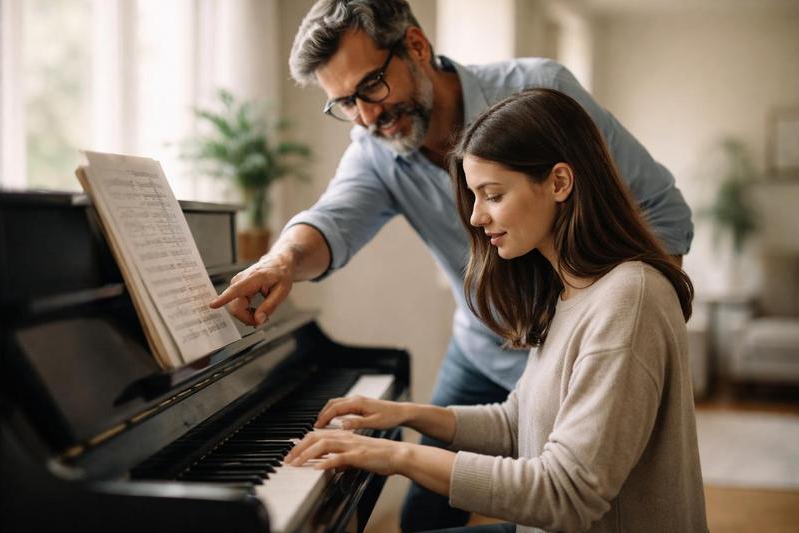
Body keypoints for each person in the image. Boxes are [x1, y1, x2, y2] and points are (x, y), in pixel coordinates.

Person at [209, 1, 694, 530]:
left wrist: (617, 319)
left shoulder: (541, 94)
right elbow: (331, 221)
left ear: (416, 47)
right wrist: (281, 262)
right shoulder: (374, 150)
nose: (366, 116)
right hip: (498, 340)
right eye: (345, 103)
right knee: (423, 515)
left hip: (582, 328)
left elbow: (663, 214)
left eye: (371, 86)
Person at [283, 88, 707, 533]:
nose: (476, 217)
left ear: (559, 183)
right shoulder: (568, 291)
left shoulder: (628, 299)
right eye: (474, 196)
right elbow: (516, 422)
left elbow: (565, 493)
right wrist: (404, 414)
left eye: (493, 195)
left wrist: (397, 455)